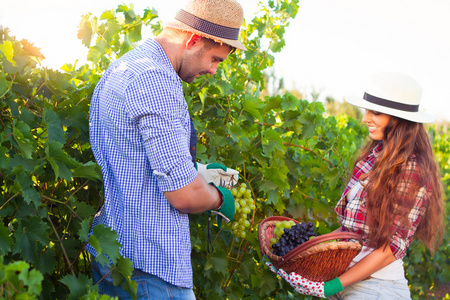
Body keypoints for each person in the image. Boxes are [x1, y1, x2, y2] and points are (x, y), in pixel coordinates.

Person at [86, 0, 246, 298]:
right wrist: (216, 198)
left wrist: (196, 171)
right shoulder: (156, 80)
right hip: (151, 266)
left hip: (115, 253)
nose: (213, 71)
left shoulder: (125, 65)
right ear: (193, 39)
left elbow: (129, 157)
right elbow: (184, 195)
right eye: (215, 59)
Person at [266, 72, 445, 299]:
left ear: (399, 119)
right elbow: (349, 232)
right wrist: (300, 257)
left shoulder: (412, 168)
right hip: (344, 279)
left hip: (376, 288)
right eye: (367, 111)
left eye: (376, 113)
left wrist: (331, 286)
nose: (365, 118)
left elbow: (390, 249)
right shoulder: (373, 157)